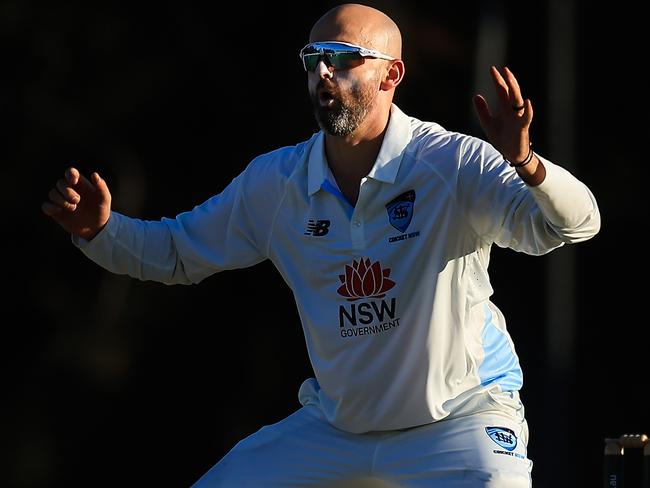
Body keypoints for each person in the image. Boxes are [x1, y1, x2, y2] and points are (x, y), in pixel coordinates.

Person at [42, 3, 600, 487]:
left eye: (343, 58)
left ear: (392, 75)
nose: (323, 73)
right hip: (336, 430)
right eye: (313, 60)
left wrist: (525, 163)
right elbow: (177, 252)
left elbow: (577, 225)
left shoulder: (451, 162)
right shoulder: (277, 183)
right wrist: (102, 232)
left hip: (459, 422)